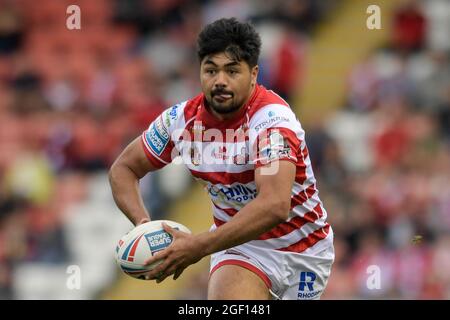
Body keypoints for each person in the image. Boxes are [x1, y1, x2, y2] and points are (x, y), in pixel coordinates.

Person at [109, 17, 334, 300]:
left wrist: (198, 246)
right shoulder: (180, 121)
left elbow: (275, 205)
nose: (220, 81)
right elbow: (124, 169)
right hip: (243, 249)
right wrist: (143, 223)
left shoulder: (272, 123)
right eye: (211, 70)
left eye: (232, 71)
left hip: (305, 250)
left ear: (253, 74)